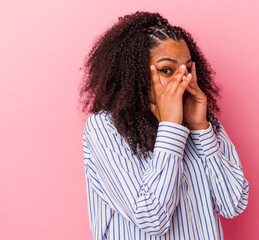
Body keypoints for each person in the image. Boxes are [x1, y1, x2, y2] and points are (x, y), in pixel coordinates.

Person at [80, 11, 249, 240]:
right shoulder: (104, 128)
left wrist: (201, 128)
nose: (183, 80)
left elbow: (233, 205)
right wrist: (171, 127)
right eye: (167, 70)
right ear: (136, 75)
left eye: (187, 69)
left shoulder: (201, 121)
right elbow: (152, 218)